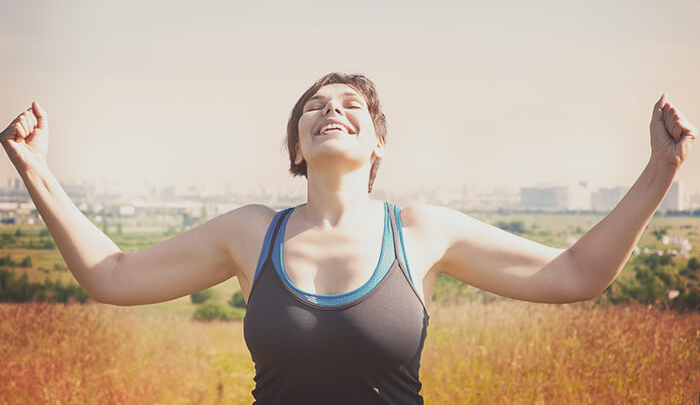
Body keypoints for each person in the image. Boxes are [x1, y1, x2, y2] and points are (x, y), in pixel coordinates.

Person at [1, 72, 696, 404]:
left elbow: (576, 271)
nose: (331, 110)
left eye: (351, 106)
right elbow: (113, 276)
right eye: (315, 107)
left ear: (377, 144)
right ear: (297, 148)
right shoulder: (250, 233)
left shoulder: (420, 229)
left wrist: (661, 168)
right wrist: (31, 166)